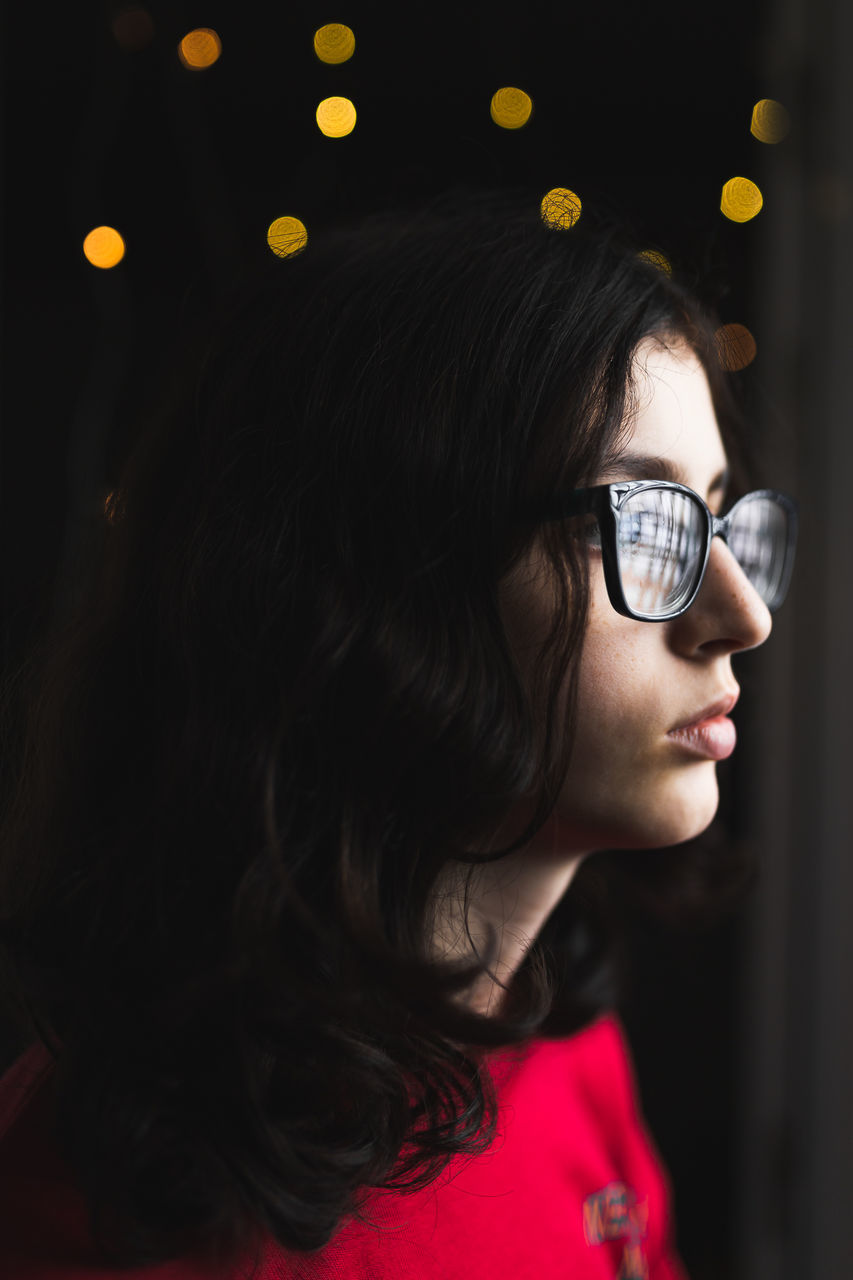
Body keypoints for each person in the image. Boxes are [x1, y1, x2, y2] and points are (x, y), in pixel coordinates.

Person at [0, 187, 797, 1278]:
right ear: (388, 586)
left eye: (716, 517)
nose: (741, 616)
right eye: (644, 523)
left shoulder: (555, 1039)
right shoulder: (122, 1206)